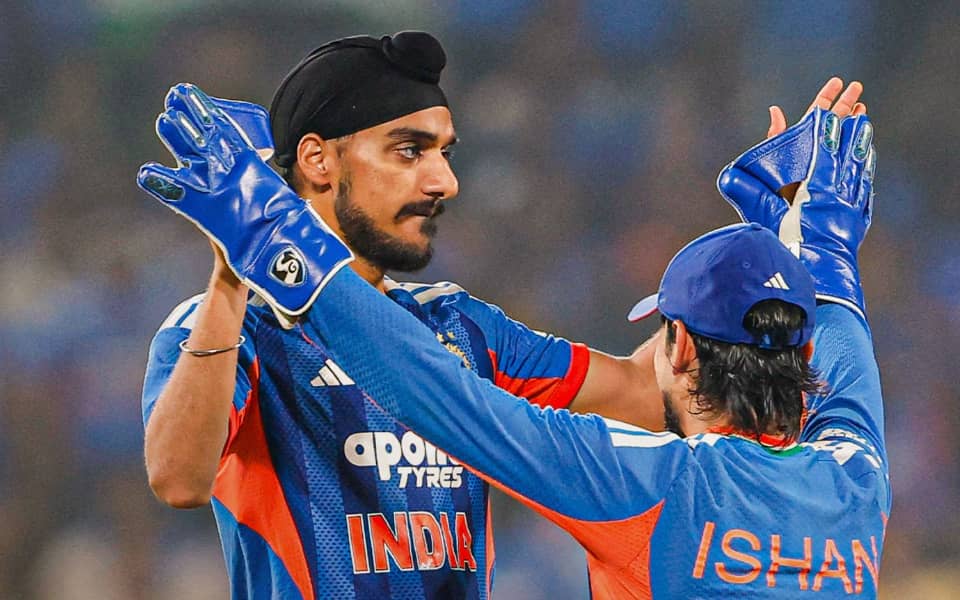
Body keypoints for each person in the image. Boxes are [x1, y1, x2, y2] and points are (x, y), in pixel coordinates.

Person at [139, 72, 887, 597]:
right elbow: (841, 328)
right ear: (802, 353)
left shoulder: (646, 480)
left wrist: (271, 236)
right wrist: (809, 240)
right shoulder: (858, 478)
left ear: (681, 347)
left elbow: (441, 398)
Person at [140, 31, 667, 600]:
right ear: (318, 160)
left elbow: (647, 395)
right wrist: (231, 273)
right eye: (409, 150)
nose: (445, 183)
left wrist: (738, 268)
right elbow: (179, 479)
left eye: (445, 154)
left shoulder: (461, 325)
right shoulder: (238, 327)